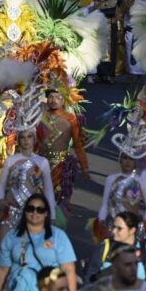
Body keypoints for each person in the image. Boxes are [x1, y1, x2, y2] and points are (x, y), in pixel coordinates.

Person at [0, 193, 77, 291]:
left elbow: (68, 269)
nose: (35, 213)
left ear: (46, 213)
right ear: (25, 211)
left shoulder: (58, 236)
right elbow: (2, 269)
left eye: (40, 210)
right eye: (30, 209)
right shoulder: (12, 236)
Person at [0, 129, 58, 239]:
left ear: (35, 139)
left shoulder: (42, 162)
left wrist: (52, 215)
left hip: (32, 214)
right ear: (18, 140)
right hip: (10, 213)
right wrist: (0, 200)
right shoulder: (10, 160)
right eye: (22, 137)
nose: (26, 140)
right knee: (4, 250)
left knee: (27, 252)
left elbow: (48, 190)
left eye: (29, 136)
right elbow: (1, 185)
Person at [38, 88, 89, 216]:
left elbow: (78, 146)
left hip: (61, 168)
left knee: (58, 203)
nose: (54, 100)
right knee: (38, 203)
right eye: (51, 97)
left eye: (58, 97)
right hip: (40, 165)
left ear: (64, 100)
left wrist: (85, 168)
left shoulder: (71, 119)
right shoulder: (39, 117)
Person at [96, 150, 146, 243]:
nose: (127, 162)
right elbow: (104, 205)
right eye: (125, 158)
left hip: (132, 228)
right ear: (120, 160)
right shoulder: (111, 179)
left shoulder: (140, 182)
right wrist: (101, 220)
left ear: (135, 162)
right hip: (113, 226)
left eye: (131, 159)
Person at [84, 211, 146, 288]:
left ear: (132, 230)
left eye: (119, 228)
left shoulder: (145, 252)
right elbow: (91, 275)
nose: (114, 231)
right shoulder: (106, 247)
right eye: (114, 227)